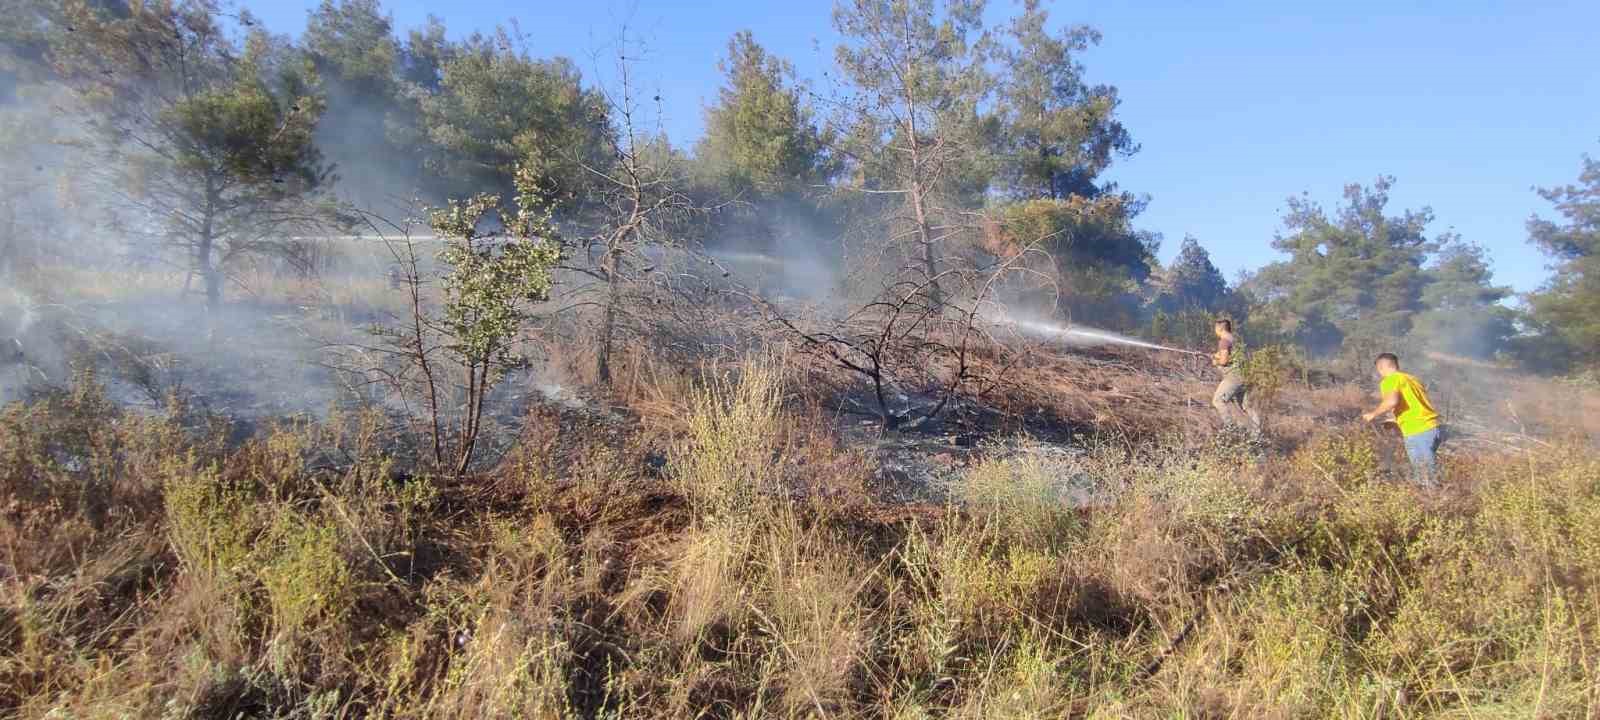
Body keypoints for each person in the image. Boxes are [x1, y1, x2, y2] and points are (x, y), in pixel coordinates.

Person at [1362, 353, 1444, 486]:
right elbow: (1412, 404)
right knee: (1427, 470)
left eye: (1379, 370)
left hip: (1418, 430)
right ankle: (1436, 498)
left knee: (1425, 476)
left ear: (1381, 368)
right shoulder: (1412, 379)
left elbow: (1392, 401)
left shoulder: (1390, 380)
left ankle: (1435, 501)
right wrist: (1395, 420)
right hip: (1432, 428)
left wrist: (1373, 414)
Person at [1210, 318, 1261, 435]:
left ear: (1220, 328)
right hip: (1244, 376)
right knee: (1247, 406)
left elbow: (1224, 361)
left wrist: (1215, 362)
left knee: (1218, 401)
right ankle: (1257, 433)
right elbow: (1229, 354)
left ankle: (1230, 428)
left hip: (1233, 378)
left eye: (1215, 328)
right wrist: (1215, 355)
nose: (1215, 331)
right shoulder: (1234, 340)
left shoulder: (1223, 341)